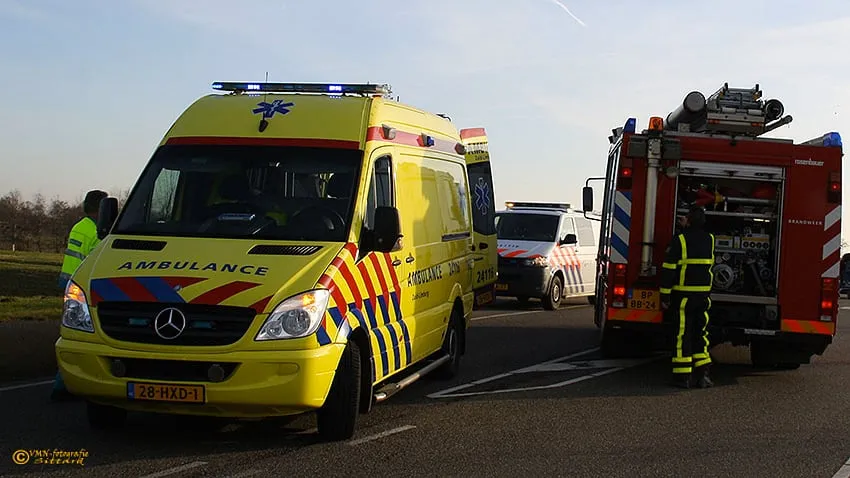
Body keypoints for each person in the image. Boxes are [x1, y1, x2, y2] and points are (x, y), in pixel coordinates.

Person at [52, 189, 108, 401]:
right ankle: (65, 383)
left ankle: (63, 383)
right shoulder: (97, 231)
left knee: (71, 331)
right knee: (82, 335)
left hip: (69, 281)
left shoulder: (80, 226)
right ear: (101, 208)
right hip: (84, 287)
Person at [659, 205, 716, 389]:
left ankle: (682, 377)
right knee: (701, 334)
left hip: (683, 297)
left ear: (688, 221)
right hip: (703, 297)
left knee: (682, 335)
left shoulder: (681, 240)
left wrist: (665, 296)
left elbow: (669, 270)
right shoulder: (710, 239)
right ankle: (703, 375)